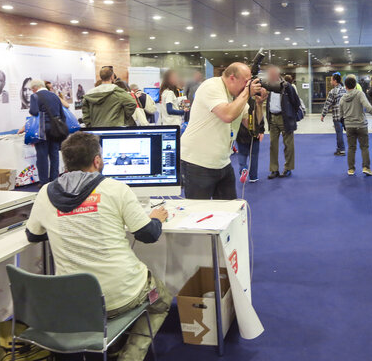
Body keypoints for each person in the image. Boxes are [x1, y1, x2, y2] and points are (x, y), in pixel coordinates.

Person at [25, 132, 170, 361]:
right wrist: (156, 218)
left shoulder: (45, 193)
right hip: (121, 296)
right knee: (162, 301)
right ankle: (129, 356)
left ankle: (110, 345)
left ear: (66, 162)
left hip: (75, 302)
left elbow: (33, 235)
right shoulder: (115, 189)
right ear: (97, 161)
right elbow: (148, 235)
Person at [180, 62, 262, 199]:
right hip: (197, 162)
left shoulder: (238, 97)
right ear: (232, 78)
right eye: (246, 82)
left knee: (229, 211)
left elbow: (254, 127)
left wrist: (259, 104)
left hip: (223, 162)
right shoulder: (211, 86)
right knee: (199, 215)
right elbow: (227, 115)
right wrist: (247, 93)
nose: (248, 86)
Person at [339, 76, 372, 176]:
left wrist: (344, 123)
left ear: (345, 86)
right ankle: (366, 167)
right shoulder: (359, 94)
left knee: (351, 148)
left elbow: (340, 114)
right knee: (364, 147)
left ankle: (351, 169)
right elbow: (367, 106)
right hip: (361, 125)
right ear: (355, 85)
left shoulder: (342, 98)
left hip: (349, 126)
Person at [265, 65, 300, 179]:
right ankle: (274, 170)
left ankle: (288, 168)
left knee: (288, 145)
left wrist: (290, 114)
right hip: (273, 118)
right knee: (272, 145)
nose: (269, 76)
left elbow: (296, 102)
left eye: (271, 74)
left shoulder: (287, 86)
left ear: (277, 74)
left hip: (285, 118)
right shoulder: (268, 86)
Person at [28, 79, 64, 186]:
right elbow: (62, 114)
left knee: (42, 156)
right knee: (54, 155)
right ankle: (54, 180)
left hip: (42, 129)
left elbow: (34, 112)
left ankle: (44, 182)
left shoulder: (35, 96)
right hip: (56, 129)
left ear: (34, 88)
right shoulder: (55, 96)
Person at [236, 92, 266, 183]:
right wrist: (261, 130)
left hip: (241, 133)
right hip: (254, 133)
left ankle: (243, 168)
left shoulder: (237, 102)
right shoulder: (255, 102)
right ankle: (253, 176)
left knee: (242, 154)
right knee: (254, 155)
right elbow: (259, 118)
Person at [320, 73, 346, 156]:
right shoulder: (344, 90)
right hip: (345, 115)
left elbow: (327, 104)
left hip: (337, 116)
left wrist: (323, 115)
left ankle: (341, 150)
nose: (330, 81)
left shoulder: (333, 91)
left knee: (339, 133)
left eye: (331, 80)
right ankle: (341, 149)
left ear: (335, 81)